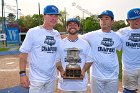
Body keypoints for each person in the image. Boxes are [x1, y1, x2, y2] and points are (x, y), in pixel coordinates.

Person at [19, 5, 61, 93]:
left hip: (51, 78)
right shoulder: (33, 32)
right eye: (50, 15)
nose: (53, 18)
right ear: (44, 16)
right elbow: (23, 55)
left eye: (56, 16)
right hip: (36, 80)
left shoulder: (56, 34)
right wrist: (22, 74)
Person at [81, 10, 122, 93]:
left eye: (106, 18)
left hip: (112, 75)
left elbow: (122, 48)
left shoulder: (117, 37)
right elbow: (76, 38)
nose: (103, 21)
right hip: (96, 75)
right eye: (101, 19)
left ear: (112, 21)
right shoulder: (92, 35)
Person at [56, 18, 93, 93]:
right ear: (66, 28)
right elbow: (57, 60)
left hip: (81, 85)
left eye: (75, 25)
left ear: (78, 27)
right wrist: (62, 70)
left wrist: (83, 71)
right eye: (70, 25)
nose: (72, 26)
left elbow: (89, 60)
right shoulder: (60, 43)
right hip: (65, 85)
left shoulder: (85, 43)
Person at [117, 8, 140, 93]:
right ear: (128, 20)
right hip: (129, 68)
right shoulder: (121, 32)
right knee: (128, 91)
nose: (138, 21)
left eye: (139, 18)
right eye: (134, 19)